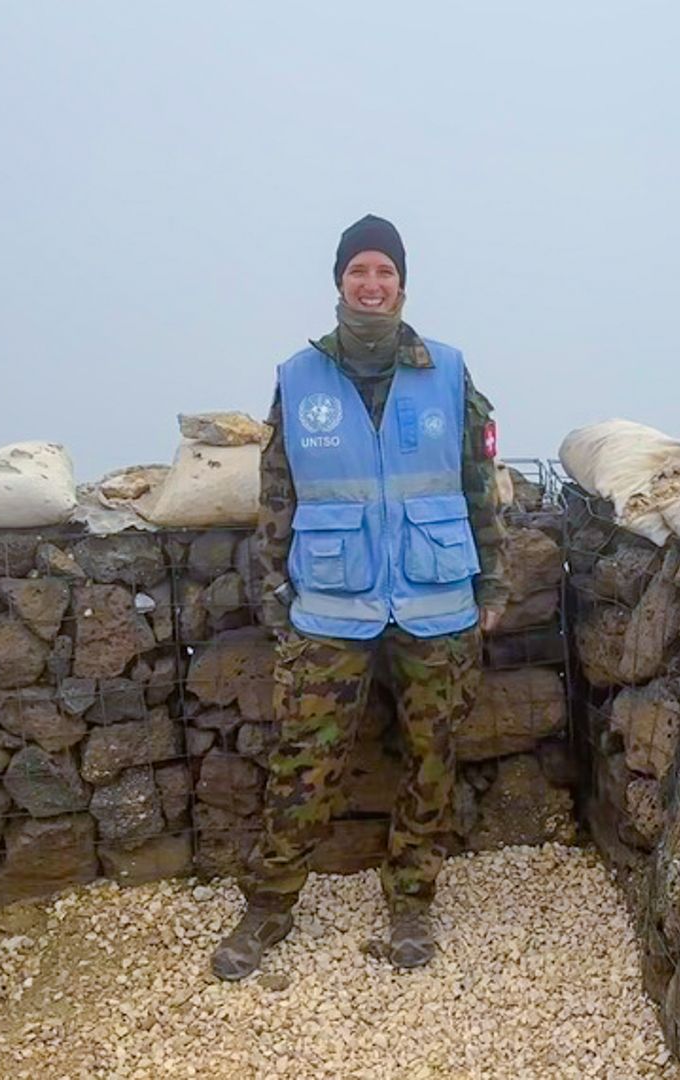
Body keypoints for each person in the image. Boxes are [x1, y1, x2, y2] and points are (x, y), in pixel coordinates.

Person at [211, 214, 507, 980]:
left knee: (431, 756)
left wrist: (494, 581)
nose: (371, 285)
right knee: (303, 760)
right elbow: (276, 492)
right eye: (357, 273)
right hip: (329, 606)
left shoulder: (447, 370)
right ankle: (270, 906)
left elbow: (480, 485)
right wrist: (272, 590)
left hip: (437, 598)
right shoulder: (297, 377)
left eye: (383, 272)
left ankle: (412, 901)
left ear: (403, 284)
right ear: (338, 283)